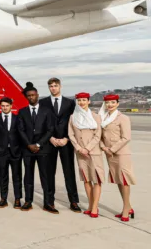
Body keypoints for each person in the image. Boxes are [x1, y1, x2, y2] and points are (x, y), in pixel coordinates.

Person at [40, 77, 80, 212]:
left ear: (60, 87)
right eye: (51, 86)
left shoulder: (70, 103)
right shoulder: (43, 102)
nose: (53, 88)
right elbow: (41, 123)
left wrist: (67, 138)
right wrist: (49, 137)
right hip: (49, 142)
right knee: (48, 173)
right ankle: (49, 202)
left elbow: (75, 123)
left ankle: (74, 201)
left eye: (55, 86)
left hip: (66, 142)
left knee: (69, 172)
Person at [18, 82, 57, 213]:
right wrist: (29, 144)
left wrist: (39, 144)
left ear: (37, 95)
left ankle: (48, 203)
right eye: (29, 96)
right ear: (26, 97)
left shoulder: (47, 111)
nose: (31, 97)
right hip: (27, 149)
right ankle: (28, 201)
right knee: (28, 176)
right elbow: (20, 130)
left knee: (45, 177)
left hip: (43, 149)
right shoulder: (22, 112)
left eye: (33, 95)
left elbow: (50, 130)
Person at [99, 94, 135, 221]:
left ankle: (126, 208)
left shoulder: (123, 118)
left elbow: (126, 137)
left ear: (118, 103)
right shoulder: (103, 118)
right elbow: (100, 136)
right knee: (118, 180)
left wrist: (112, 149)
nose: (110, 105)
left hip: (121, 153)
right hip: (109, 154)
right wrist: (104, 148)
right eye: (108, 103)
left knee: (124, 180)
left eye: (113, 102)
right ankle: (128, 206)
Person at [68, 92, 104, 218]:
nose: (81, 102)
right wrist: (79, 148)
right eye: (79, 100)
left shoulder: (96, 117)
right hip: (80, 153)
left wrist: (87, 148)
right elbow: (71, 135)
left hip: (94, 152)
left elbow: (98, 135)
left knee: (96, 180)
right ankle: (90, 205)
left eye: (84, 100)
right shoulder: (73, 117)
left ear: (89, 101)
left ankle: (95, 207)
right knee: (86, 179)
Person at [0, 97, 23, 209]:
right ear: (0, 107)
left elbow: (21, 134)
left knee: (17, 176)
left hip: (15, 152)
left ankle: (17, 199)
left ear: (11, 106)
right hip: (2, 152)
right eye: (3, 106)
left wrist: (20, 150)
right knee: (3, 176)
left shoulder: (17, 118)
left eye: (7, 105)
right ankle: (3, 199)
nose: (5, 108)